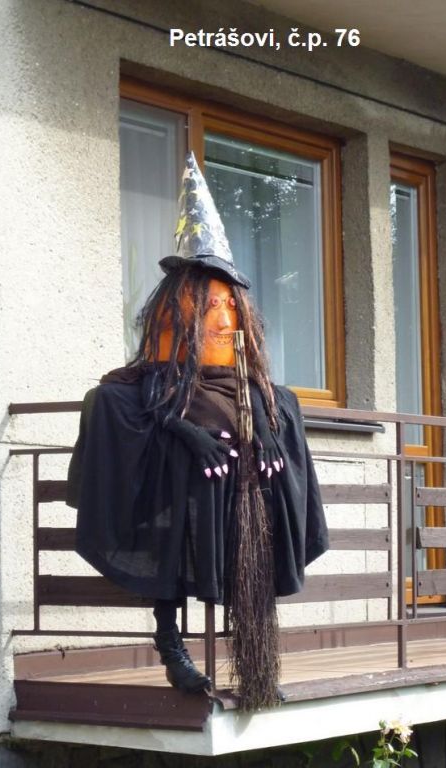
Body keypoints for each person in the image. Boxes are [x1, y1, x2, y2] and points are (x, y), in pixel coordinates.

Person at [66, 153, 328, 706]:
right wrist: (182, 432)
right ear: (178, 311)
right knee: (174, 474)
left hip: (242, 505)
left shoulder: (263, 390)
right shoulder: (151, 379)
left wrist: (269, 436)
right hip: (179, 502)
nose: (223, 316)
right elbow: (121, 403)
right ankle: (170, 640)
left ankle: (256, 655)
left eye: (229, 303)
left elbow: (271, 412)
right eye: (209, 305)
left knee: (265, 488)